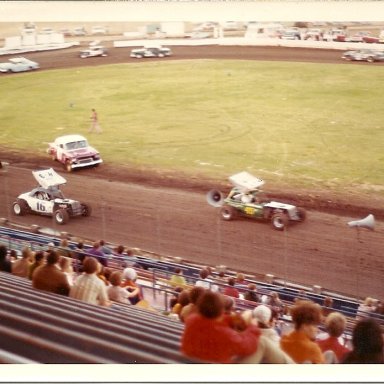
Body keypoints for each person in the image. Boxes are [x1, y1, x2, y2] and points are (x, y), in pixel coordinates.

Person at [181, 290, 261, 363]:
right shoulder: (226, 334)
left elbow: (212, 323)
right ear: (221, 311)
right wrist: (252, 326)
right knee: (263, 342)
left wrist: (235, 318)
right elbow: (248, 347)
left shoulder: (191, 320)